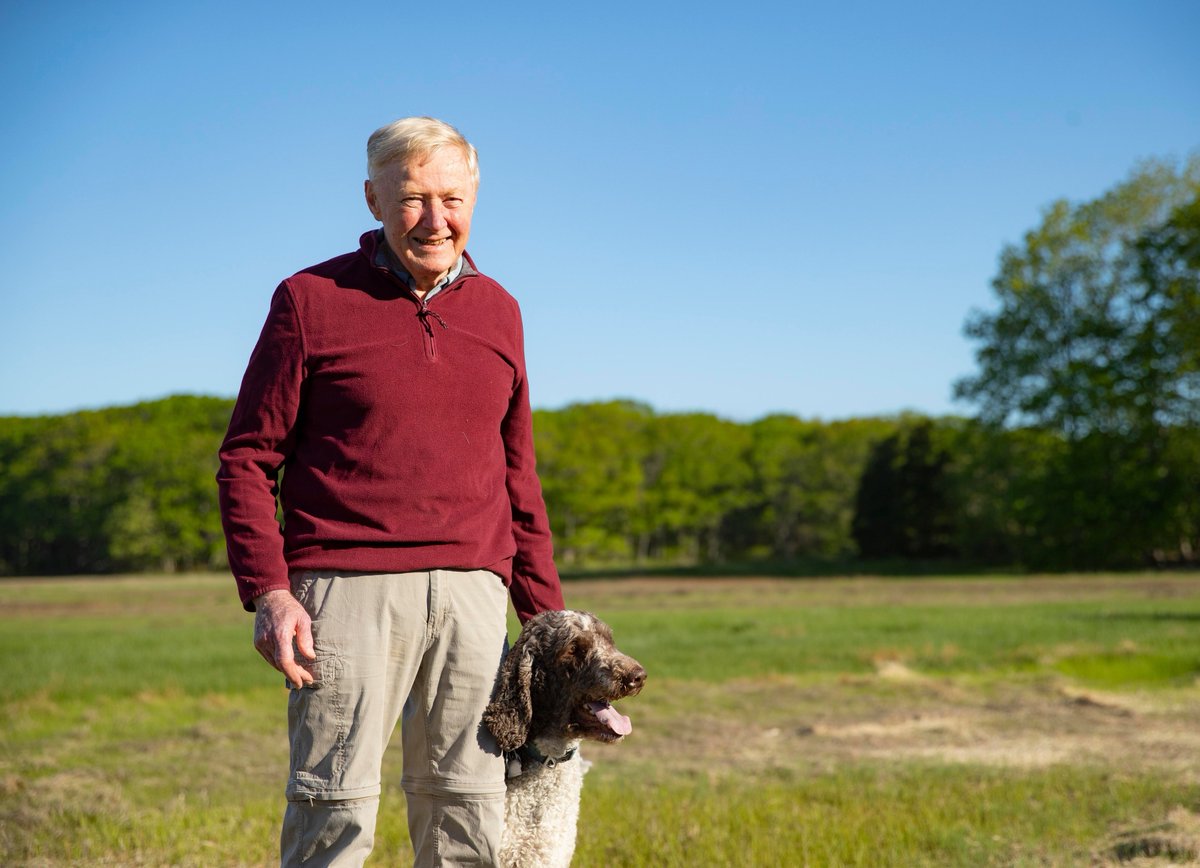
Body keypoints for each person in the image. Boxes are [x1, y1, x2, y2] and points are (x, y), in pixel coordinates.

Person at [217, 116, 564, 867]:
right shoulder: (309, 299)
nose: (435, 220)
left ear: (474, 199)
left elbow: (518, 476)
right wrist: (270, 592)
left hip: (473, 595)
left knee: (468, 811)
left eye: (451, 199)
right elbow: (247, 458)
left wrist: (545, 621)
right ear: (373, 200)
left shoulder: (501, 310)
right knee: (333, 809)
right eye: (411, 199)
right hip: (345, 589)